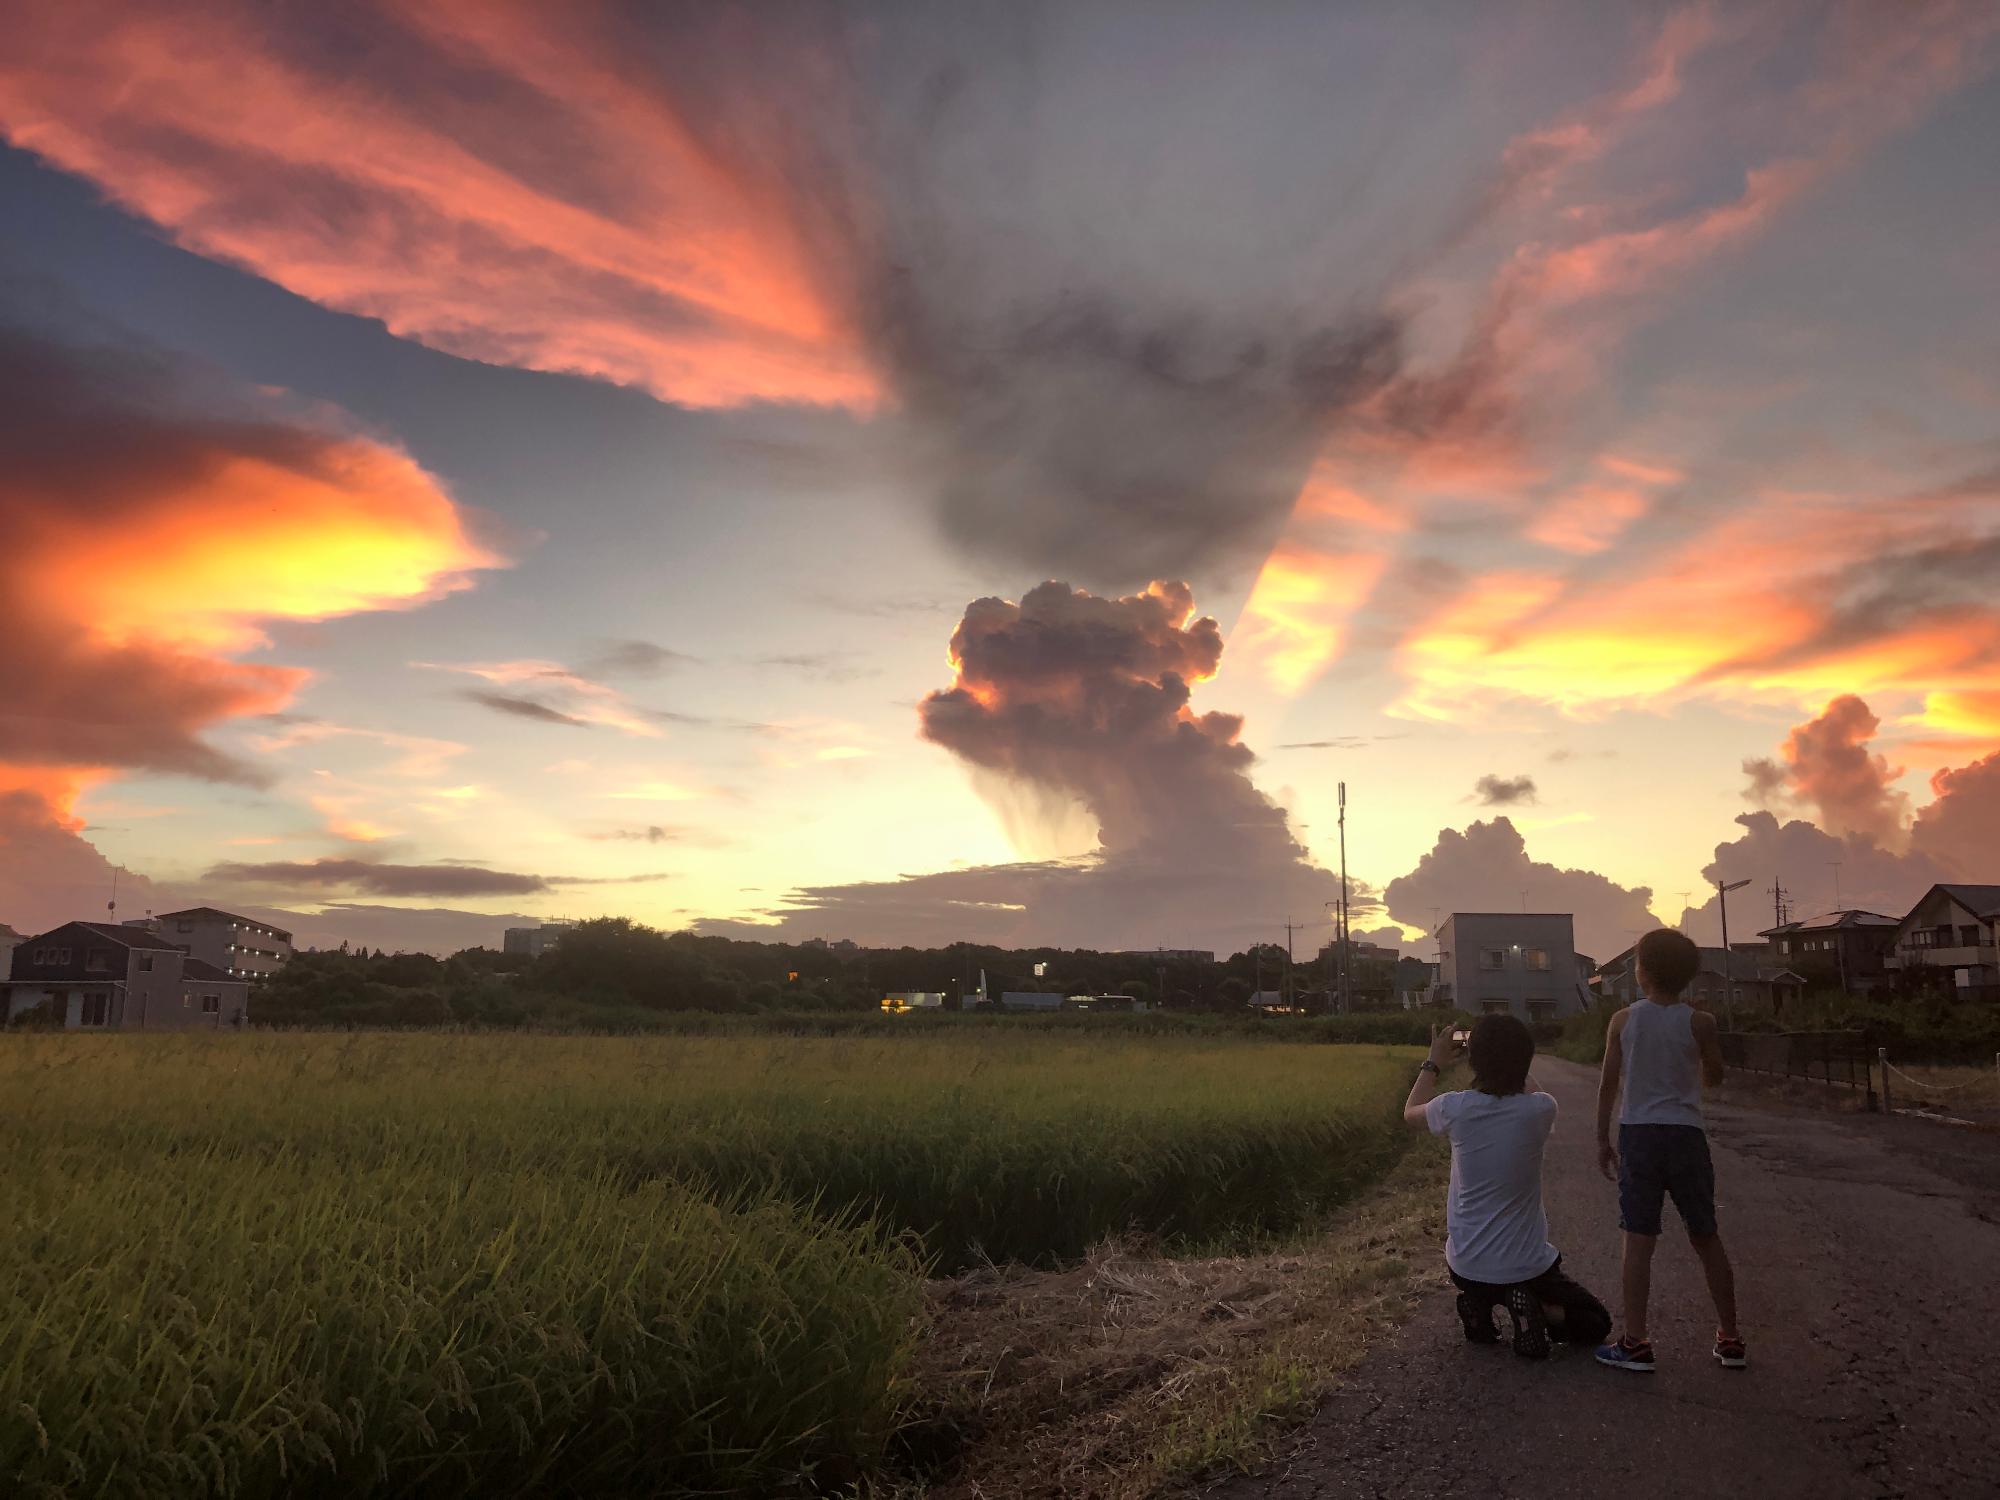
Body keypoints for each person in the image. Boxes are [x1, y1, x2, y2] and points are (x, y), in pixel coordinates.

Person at [1404, 1014, 1612, 1359]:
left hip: (1465, 1266)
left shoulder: (1454, 1107)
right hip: (1527, 1271)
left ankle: (1479, 1304)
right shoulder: (1541, 1109)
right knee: (1595, 1322)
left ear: (1474, 1060)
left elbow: (1409, 1112)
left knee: (1479, 1282)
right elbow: (1527, 1087)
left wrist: (1434, 1061)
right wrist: (1515, 1063)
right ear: (1527, 1059)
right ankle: (1538, 1311)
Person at [1593, 926, 1747, 1373]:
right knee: (1705, 1234)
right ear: (1689, 975)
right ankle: (1731, 1337)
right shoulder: (1701, 1021)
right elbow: (1714, 1076)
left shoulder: (1622, 1021)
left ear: (1641, 971)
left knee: (1638, 1238)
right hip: (1686, 1135)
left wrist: (1602, 1140)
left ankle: (1636, 1341)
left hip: (1638, 1135)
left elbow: (1607, 1086)